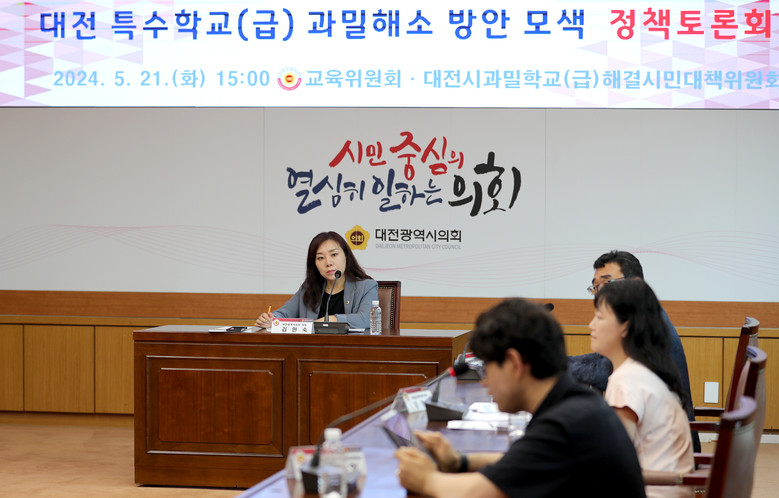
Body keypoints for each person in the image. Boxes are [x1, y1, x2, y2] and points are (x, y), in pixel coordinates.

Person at [394, 299, 646, 498]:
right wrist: (458, 461)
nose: (484, 382)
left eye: (488, 368)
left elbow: (479, 492)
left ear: (514, 363)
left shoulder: (566, 423)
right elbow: (521, 462)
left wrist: (426, 479)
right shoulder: (572, 403)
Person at [568, 250, 701, 453]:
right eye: (595, 287)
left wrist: (552, 367)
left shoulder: (645, 330)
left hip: (666, 457)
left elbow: (603, 372)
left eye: (607, 283)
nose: (599, 293)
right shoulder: (647, 317)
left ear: (636, 283)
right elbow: (601, 361)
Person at [590, 279, 694, 498]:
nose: (591, 325)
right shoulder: (643, 370)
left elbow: (615, 466)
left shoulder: (626, 381)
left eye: (599, 317)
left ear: (625, 326)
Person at [255, 231, 378, 329]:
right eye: (320, 258)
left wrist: (330, 319)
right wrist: (272, 319)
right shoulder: (309, 289)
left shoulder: (366, 287)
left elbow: (367, 319)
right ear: (314, 264)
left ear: (346, 255)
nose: (328, 263)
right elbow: (284, 313)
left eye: (334, 254)